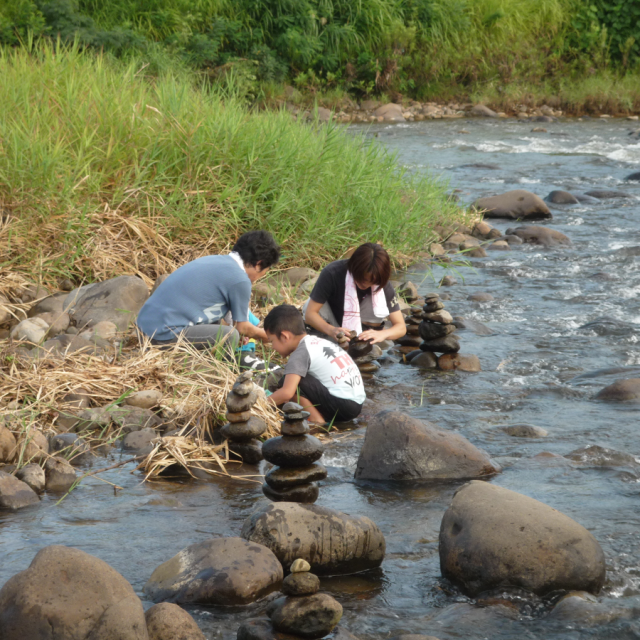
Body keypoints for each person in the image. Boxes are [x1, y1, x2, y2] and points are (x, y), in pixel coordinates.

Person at [136, 230, 280, 369]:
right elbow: (243, 328)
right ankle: (233, 368)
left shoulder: (214, 260)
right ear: (258, 264)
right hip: (161, 336)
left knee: (225, 329)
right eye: (264, 272)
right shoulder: (240, 280)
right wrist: (270, 336)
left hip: (143, 329)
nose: (260, 277)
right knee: (230, 336)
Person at [264, 305, 365, 424]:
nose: (273, 347)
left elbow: (287, 393)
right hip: (357, 403)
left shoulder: (300, 353)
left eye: (272, 341)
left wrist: (261, 404)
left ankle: (316, 422)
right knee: (294, 380)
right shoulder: (318, 342)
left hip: (344, 405)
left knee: (290, 382)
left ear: (284, 336)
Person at [304, 243, 406, 345]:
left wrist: (383, 334)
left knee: (378, 302)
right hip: (332, 325)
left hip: (361, 332)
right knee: (309, 304)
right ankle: (323, 343)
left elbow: (401, 327)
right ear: (354, 267)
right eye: (363, 279)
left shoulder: (381, 282)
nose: (367, 284)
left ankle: (359, 344)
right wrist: (332, 330)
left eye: (372, 281)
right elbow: (310, 314)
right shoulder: (333, 273)